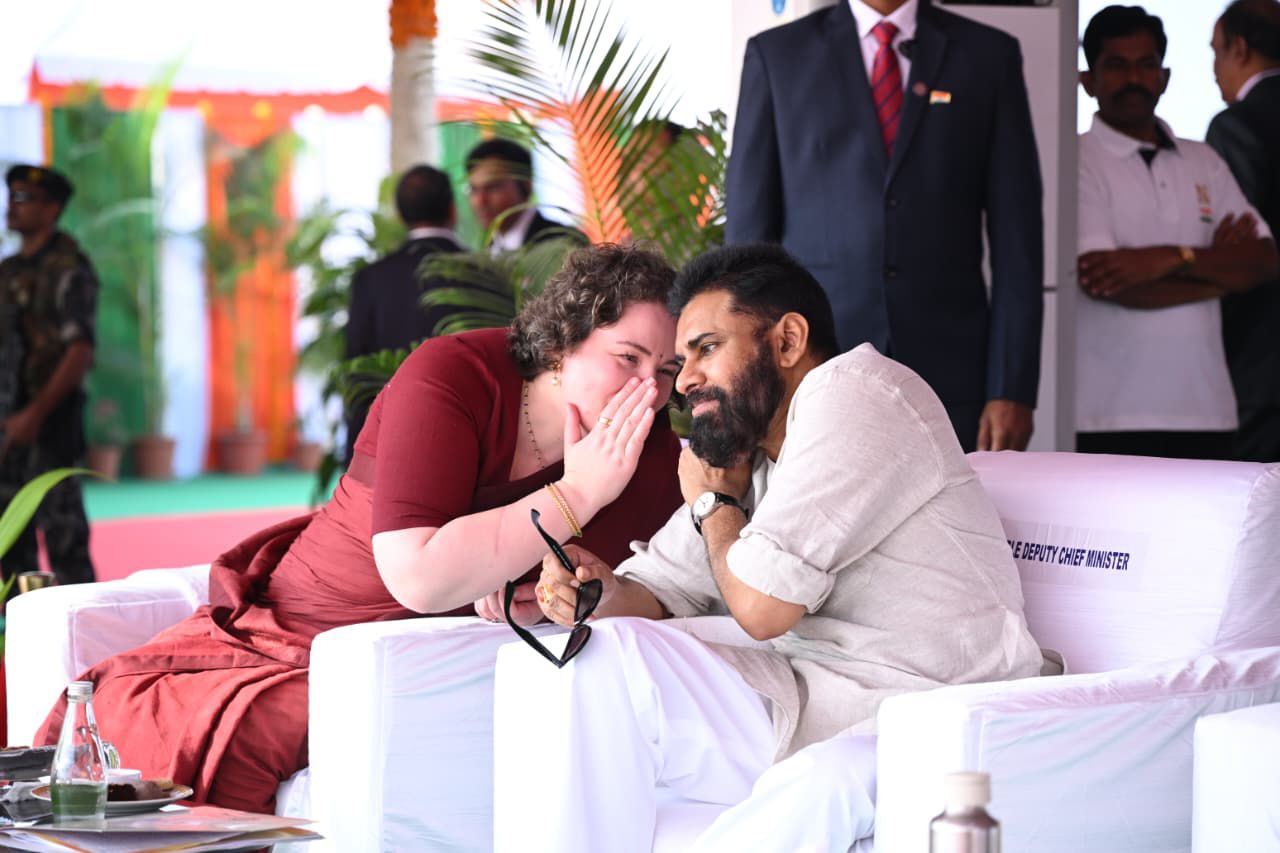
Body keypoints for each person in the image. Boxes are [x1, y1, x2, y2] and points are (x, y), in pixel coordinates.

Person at [36, 243, 686, 816]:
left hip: (441, 663)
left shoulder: (652, 457)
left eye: (665, 371)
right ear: (563, 343)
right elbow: (418, 576)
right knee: (238, 726)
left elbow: (662, 593)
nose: (648, 391)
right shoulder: (455, 373)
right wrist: (577, 495)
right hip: (306, 626)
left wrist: (561, 590)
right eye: (627, 357)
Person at [492, 243, 1045, 853]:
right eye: (683, 362)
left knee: (819, 780)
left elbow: (763, 608)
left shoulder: (858, 393)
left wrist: (715, 504)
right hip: (806, 700)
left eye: (706, 348)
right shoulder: (750, 447)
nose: (685, 380)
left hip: (929, 713)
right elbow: (660, 590)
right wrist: (594, 588)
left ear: (787, 341)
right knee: (573, 661)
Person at [724, 0, 1044, 453]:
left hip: (952, 374)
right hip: (813, 369)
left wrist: (1012, 387)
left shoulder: (987, 55)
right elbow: (748, 248)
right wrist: (748, 390)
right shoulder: (778, 55)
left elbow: (1019, 241)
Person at [1076, 5, 1279, 460]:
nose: (1134, 78)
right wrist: (1218, 274)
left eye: (1146, 64)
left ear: (1165, 77)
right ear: (1087, 80)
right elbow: (1107, 282)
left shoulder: (1204, 160)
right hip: (1107, 412)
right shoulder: (1073, 159)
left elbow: (1264, 262)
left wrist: (1168, 258)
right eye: (1117, 65)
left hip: (1209, 410)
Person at [0, 164, 98, 587]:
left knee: (65, 542)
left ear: (53, 208)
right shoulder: (8, 272)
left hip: (49, 425)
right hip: (7, 421)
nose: (13, 206)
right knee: (10, 545)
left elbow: (80, 350)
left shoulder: (69, 268)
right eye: (11, 196)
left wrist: (34, 416)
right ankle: (20, 625)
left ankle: (82, 627)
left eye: (24, 198)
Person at [343, 164, 464, 460]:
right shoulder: (486, 271)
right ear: (452, 210)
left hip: (389, 436)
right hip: (466, 432)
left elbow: (357, 369)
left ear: (400, 215)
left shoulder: (371, 278)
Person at [1206, 0, 1280, 461]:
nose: (1213, 69)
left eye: (1215, 51)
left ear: (1239, 48)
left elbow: (1236, 248)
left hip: (1261, 362)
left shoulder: (1238, 125)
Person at [465, 138, 579, 252]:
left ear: (526, 186)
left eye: (492, 187)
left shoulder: (565, 243)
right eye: (473, 190)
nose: (480, 201)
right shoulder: (489, 251)